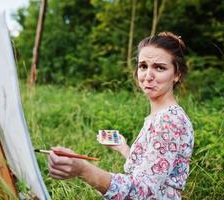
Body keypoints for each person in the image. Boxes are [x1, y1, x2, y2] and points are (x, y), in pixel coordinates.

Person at [48, 32, 194, 199]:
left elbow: (142, 192)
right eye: (143, 66)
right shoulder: (161, 115)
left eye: (159, 67)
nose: (148, 76)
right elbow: (151, 168)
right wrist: (124, 148)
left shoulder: (169, 121)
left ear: (177, 75)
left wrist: (84, 170)